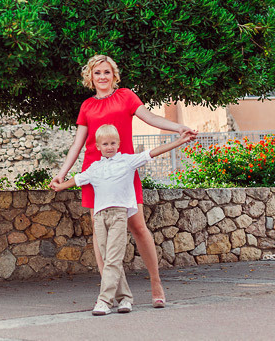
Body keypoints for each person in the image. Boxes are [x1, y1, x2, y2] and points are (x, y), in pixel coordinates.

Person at [48, 55, 197, 307]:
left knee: (138, 226)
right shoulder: (86, 106)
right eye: (97, 73)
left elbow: (151, 118)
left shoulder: (126, 96)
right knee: (100, 233)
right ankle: (112, 293)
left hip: (124, 170)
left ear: (114, 75)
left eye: (107, 72)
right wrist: (62, 173)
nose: (102, 77)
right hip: (95, 174)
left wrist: (178, 128)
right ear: (90, 77)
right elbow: (77, 144)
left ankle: (155, 282)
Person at [51, 124, 194, 315]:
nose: (109, 147)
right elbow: (77, 180)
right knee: (108, 259)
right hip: (99, 217)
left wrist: (179, 141)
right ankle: (125, 298)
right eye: (105, 144)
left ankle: (104, 300)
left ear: (118, 144)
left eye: (113, 143)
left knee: (113, 258)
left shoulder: (127, 161)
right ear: (98, 146)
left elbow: (153, 152)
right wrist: (59, 185)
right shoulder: (94, 167)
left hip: (118, 215)